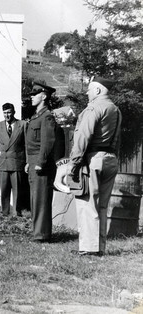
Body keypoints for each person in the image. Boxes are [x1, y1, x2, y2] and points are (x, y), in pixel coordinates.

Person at [68, 77, 122, 256]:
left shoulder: (93, 108)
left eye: (89, 90)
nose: (86, 93)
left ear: (98, 91)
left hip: (93, 160)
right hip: (111, 159)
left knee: (87, 203)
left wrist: (74, 163)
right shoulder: (116, 110)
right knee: (103, 206)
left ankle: (89, 248)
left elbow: (83, 137)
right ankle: (100, 247)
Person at [25, 81, 58, 242]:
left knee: (41, 199)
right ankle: (37, 232)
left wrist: (41, 161)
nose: (31, 97)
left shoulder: (47, 117)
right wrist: (28, 162)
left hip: (41, 163)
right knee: (35, 199)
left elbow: (47, 142)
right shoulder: (36, 116)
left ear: (43, 96)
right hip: (33, 161)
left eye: (34, 94)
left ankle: (41, 235)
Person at [0, 103, 27, 216]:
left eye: (9, 112)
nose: (7, 115)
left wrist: (26, 162)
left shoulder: (22, 125)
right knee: (4, 189)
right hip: (4, 162)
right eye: (5, 113)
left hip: (17, 162)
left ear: (14, 112)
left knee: (17, 189)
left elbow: (26, 145)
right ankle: (5, 212)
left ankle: (16, 213)